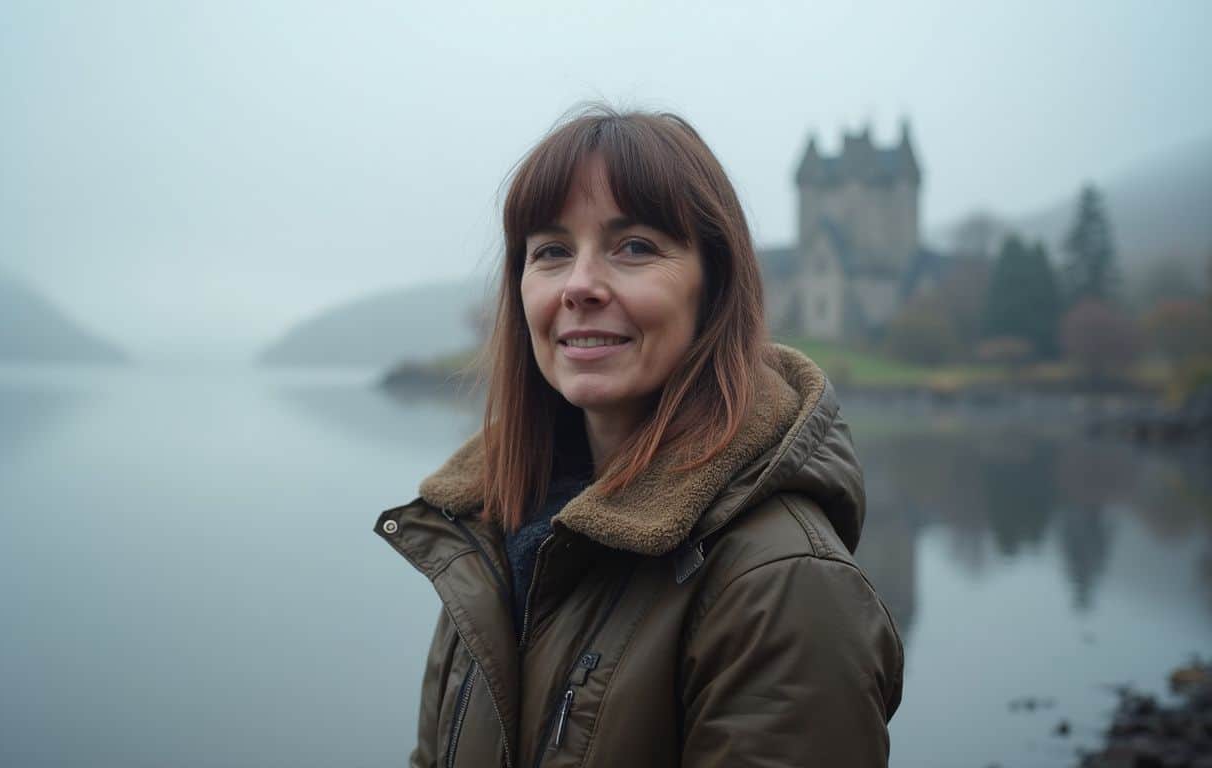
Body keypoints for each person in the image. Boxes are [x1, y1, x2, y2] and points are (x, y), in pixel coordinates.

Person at [375, 105, 904, 768]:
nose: (581, 285)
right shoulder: (489, 532)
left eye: (635, 247)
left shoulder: (784, 585)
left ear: (714, 288)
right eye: (551, 252)